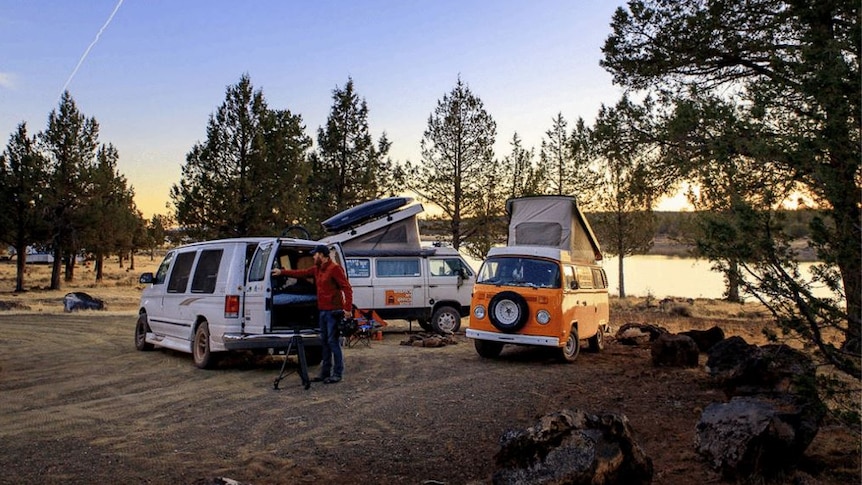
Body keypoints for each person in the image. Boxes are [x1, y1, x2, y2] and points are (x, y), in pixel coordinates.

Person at [271, 244, 353, 384]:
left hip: (333, 312)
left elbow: (347, 288)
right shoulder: (317, 269)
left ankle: (337, 373)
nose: (313, 257)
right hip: (322, 311)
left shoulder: (334, 269)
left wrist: (347, 309)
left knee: (333, 342)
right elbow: (301, 273)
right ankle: (325, 373)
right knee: (324, 343)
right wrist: (282, 272)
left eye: (315, 255)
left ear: (322, 255)